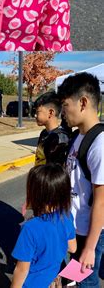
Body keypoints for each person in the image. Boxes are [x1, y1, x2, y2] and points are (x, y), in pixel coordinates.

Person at [58, 72, 104, 287]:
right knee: (74, 279)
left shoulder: (100, 144)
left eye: (65, 105)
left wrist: (89, 248)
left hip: (91, 234)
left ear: (83, 102)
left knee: (86, 283)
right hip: (77, 228)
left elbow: (102, 201)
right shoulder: (78, 136)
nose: (62, 112)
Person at [11, 163, 77, 287]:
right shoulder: (66, 216)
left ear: (35, 194)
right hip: (54, 279)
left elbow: (22, 270)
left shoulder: (30, 228)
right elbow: (72, 248)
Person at [33, 91, 71, 166]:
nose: (35, 115)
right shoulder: (44, 133)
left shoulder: (60, 138)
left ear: (50, 113)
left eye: (38, 112)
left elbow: (57, 172)